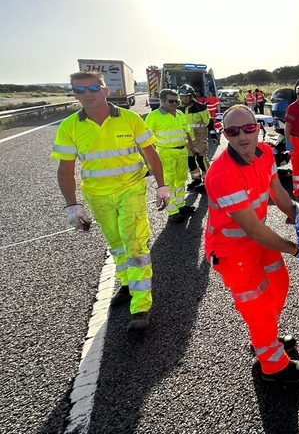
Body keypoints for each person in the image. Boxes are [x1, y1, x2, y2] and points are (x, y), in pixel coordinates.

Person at [51, 71, 171, 331]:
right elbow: (65, 169)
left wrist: (162, 186)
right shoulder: (70, 126)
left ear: (105, 91)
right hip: (97, 196)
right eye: (80, 90)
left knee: (134, 243)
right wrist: (72, 205)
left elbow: (151, 154)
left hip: (131, 189)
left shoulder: (129, 119)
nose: (87, 94)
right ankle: (128, 284)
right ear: (73, 94)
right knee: (116, 244)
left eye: (93, 87)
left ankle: (141, 306)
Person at [204, 104, 299, 383]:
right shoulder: (221, 174)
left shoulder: (264, 153)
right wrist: (295, 248)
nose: (242, 136)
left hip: (258, 239)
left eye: (249, 128)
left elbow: (280, 195)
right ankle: (273, 365)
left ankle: (265, 338)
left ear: (258, 127)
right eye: (233, 131)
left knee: (278, 284)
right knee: (258, 305)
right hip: (232, 251)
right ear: (225, 134)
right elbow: (251, 228)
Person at [145, 89, 194, 223]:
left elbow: (187, 131)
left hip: (181, 151)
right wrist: (148, 160)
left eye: (176, 101)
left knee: (181, 179)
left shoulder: (179, 113)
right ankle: (172, 211)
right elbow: (145, 139)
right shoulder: (153, 116)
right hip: (166, 153)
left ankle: (180, 205)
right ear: (162, 101)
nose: (175, 104)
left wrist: (192, 147)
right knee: (169, 182)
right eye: (171, 101)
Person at [177, 84, 212, 192]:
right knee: (190, 161)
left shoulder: (201, 107)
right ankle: (196, 179)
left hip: (199, 138)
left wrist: (213, 134)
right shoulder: (178, 110)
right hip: (186, 140)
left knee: (201, 159)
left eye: (188, 96)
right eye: (183, 96)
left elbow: (209, 121)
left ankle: (208, 181)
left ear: (192, 96)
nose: (185, 98)